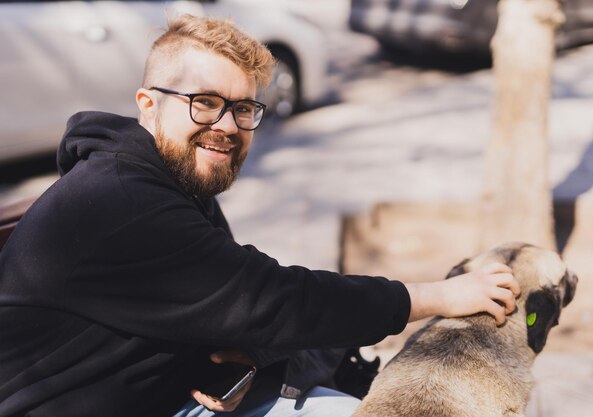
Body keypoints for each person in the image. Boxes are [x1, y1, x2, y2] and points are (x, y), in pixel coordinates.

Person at [0, 14, 520, 417]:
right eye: (204, 102)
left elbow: (236, 310)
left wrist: (248, 362)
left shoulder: (172, 181)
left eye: (244, 108)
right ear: (148, 105)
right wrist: (439, 296)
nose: (227, 125)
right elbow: (278, 300)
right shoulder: (120, 203)